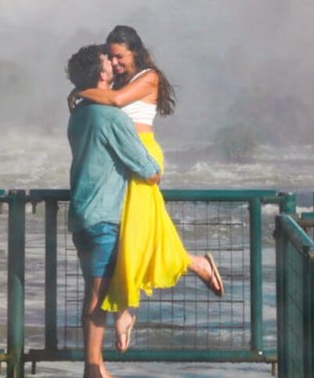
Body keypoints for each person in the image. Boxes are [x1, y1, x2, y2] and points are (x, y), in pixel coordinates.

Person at [69, 24, 223, 352]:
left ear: (135, 52)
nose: (116, 62)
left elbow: (115, 100)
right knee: (133, 234)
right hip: (122, 156)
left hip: (142, 155)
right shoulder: (117, 81)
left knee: (137, 233)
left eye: (120, 56)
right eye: (110, 57)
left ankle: (132, 306)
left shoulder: (148, 77)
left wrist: (81, 91)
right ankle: (131, 307)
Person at [66, 43, 162, 378]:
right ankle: (93, 367)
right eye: (109, 60)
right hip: (103, 216)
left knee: (95, 291)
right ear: (102, 73)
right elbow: (149, 169)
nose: (114, 64)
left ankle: (95, 365)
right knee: (97, 294)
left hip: (81, 213)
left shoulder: (79, 112)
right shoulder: (108, 115)